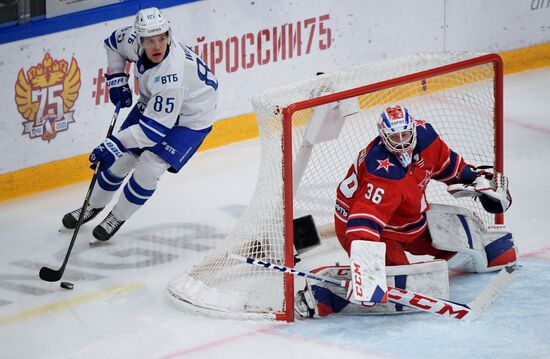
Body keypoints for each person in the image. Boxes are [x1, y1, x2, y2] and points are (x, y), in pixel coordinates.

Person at [295, 105, 515, 318]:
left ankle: (481, 246)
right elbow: (362, 226)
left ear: (413, 128)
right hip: (374, 233)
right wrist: (368, 274)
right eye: (394, 137)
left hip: (407, 218)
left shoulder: (427, 137)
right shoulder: (382, 173)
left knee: (472, 250)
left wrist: (476, 179)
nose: (401, 142)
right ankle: (325, 293)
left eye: (405, 134)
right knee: (402, 288)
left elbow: (449, 167)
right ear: (383, 137)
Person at [61, 7, 219, 241]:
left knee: (148, 168)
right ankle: (92, 205)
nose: (157, 46)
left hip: (191, 118)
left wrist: (113, 143)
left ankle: (117, 215)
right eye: (150, 40)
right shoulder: (134, 41)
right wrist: (116, 78)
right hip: (154, 106)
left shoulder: (171, 75)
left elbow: (152, 132)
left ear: (169, 35)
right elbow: (113, 42)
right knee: (120, 160)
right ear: (140, 39)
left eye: (162, 39)